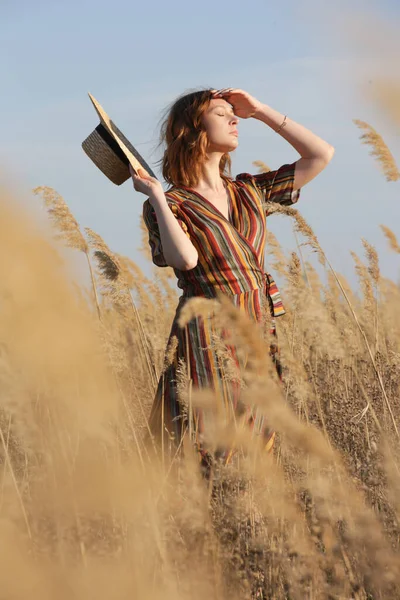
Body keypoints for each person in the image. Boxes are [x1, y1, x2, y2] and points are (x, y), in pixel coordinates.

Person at [130, 87, 334, 474]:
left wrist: (261, 111)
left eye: (233, 113)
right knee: (205, 443)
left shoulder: (249, 190)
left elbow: (320, 155)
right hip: (208, 330)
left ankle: (244, 523)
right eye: (221, 114)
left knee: (258, 444)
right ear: (193, 129)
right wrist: (157, 195)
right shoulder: (172, 205)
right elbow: (184, 258)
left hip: (259, 324)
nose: (234, 119)